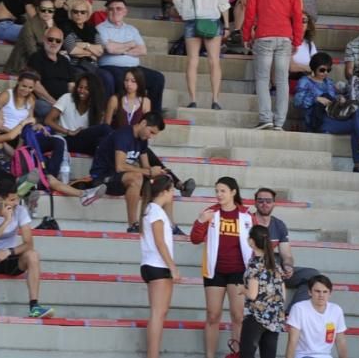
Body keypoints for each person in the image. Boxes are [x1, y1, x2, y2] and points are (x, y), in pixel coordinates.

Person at [0, 76, 107, 207]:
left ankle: (93, 181)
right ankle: (80, 190)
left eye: (30, 87)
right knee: (101, 130)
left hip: (24, 136)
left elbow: (30, 122)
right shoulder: (7, 96)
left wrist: (36, 126)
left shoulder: (31, 99)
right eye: (24, 86)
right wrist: (19, 128)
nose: (26, 90)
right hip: (15, 136)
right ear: (18, 84)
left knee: (94, 141)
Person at [105, 68, 196, 198]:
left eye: (133, 81)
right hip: (119, 142)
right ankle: (178, 184)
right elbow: (106, 126)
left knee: (150, 156)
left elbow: (147, 126)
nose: (128, 84)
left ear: (139, 83)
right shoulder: (115, 99)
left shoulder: (145, 102)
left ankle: (179, 184)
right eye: (126, 80)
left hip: (137, 141)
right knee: (147, 157)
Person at [0, 176, 55, 319]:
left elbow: (29, 243)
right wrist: (6, 221)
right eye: (12, 200)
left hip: (11, 256)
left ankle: (34, 306)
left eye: (17, 199)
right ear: (0, 200)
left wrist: (8, 251)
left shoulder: (20, 210)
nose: (16, 203)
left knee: (33, 254)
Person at [190, 176, 253, 358]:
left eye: (223, 191)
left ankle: (237, 354)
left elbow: (256, 243)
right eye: (217, 191)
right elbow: (195, 239)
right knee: (212, 315)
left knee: (238, 315)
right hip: (214, 270)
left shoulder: (246, 215)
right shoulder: (210, 212)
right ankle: (209, 355)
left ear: (233, 192)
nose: (219, 194)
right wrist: (201, 221)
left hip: (239, 271)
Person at [242, 0, 303, 130]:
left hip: (264, 36)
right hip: (285, 37)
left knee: (262, 78)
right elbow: (298, 17)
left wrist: (246, 36)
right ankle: (279, 122)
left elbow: (250, 14)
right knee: (282, 79)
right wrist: (297, 40)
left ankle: (265, 118)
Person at [173, 0, 231, 109]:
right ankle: (215, 100)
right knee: (214, 61)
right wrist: (226, 26)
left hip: (193, 20)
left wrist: (186, 12)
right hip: (212, 21)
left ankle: (193, 99)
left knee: (192, 60)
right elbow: (223, 3)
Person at [89, 111, 167, 233]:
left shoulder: (142, 139)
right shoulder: (124, 135)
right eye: (151, 132)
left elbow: (146, 167)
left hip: (119, 178)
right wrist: (148, 171)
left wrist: (155, 173)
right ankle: (133, 225)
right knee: (136, 177)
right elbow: (120, 166)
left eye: (154, 134)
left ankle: (170, 225)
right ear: (143, 123)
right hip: (102, 178)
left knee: (165, 183)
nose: (151, 136)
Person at [293, 52, 359, 172]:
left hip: (333, 116)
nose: (325, 73)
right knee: (357, 126)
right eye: (322, 70)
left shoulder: (328, 82)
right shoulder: (305, 81)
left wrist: (340, 99)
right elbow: (297, 102)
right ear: (313, 68)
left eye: (328, 70)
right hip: (318, 120)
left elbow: (334, 100)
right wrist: (316, 98)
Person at [250, 187, 321, 310]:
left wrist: (288, 267)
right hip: (253, 269)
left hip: (275, 267)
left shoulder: (279, 225)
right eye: (260, 201)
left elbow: (286, 254)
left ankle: (292, 312)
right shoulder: (247, 221)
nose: (264, 204)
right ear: (255, 203)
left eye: (268, 201)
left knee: (312, 275)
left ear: (274, 203)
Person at [97, 0, 166, 113]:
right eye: (111, 9)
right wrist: (130, 45)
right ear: (106, 11)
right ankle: (122, 114)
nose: (115, 12)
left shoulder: (131, 29)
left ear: (125, 11)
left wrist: (119, 48)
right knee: (121, 79)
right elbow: (109, 49)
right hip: (111, 67)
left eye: (119, 9)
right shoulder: (100, 28)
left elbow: (143, 50)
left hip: (134, 68)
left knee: (158, 78)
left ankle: (153, 116)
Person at [139, 174, 180, 358]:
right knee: (158, 314)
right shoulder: (155, 211)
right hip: (158, 265)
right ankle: (152, 354)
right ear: (164, 191)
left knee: (159, 312)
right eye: (171, 190)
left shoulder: (149, 209)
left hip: (150, 264)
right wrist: (172, 266)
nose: (173, 194)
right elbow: (159, 241)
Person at [239, 225, 286, 358]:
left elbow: (253, 294)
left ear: (251, 242)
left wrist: (242, 289)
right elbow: (283, 294)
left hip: (256, 316)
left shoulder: (254, 264)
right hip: (274, 317)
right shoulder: (275, 264)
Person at [43, 73, 112, 156]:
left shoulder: (96, 106)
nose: (82, 91)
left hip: (83, 142)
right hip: (65, 140)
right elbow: (48, 120)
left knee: (101, 142)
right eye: (80, 87)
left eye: (86, 88)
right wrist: (69, 132)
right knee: (105, 128)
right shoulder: (67, 98)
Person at [285, 275, 349, 358]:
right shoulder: (299, 308)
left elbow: (341, 341)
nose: (321, 295)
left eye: (325, 291)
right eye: (317, 291)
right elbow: (292, 341)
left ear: (330, 293)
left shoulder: (336, 310)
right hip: (304, 355)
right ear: (309, 292)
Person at [61, 0, 115, 92]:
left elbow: (100, 50)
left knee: (108, 77)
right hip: (76, 66)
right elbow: (72, 50)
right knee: (85, 81)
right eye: (75, 12)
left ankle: (105, 106)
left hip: (93, 66)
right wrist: (92, 52)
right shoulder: (66, 27)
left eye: (83, 12)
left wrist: (85, 45)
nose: (79, 15)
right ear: (71, 13)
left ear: (87, 14)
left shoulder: (91, 29)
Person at [25, 25, 75, 119]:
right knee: (46, 109)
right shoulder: (36, 58)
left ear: (62, 43)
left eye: (58, 41)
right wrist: (55, 103)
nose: (54, 43)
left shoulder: (65, 61)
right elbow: (36, 86)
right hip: (44, 101)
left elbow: (71, 86)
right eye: (50, 39)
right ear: (44, 39)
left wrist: (70, 103)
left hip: (63, 102)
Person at [4, 0, 58, 75]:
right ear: (38, 10)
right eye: (43, 10)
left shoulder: (52, 24)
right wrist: (49, 31)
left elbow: (55, 48)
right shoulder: (29, 25)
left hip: (40, 64)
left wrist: (50, 29)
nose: (46, 13)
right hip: (21, 67)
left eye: (50, 10)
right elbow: (33, 53)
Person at [290, 14, 318, 78]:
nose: (300, 23)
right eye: (297, 20)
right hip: (290, 81)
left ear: (308, 26)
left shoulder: (310, 44)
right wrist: (309, 68)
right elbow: (291, 67)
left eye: (303, 21)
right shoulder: (287, 42)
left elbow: (317, 64)